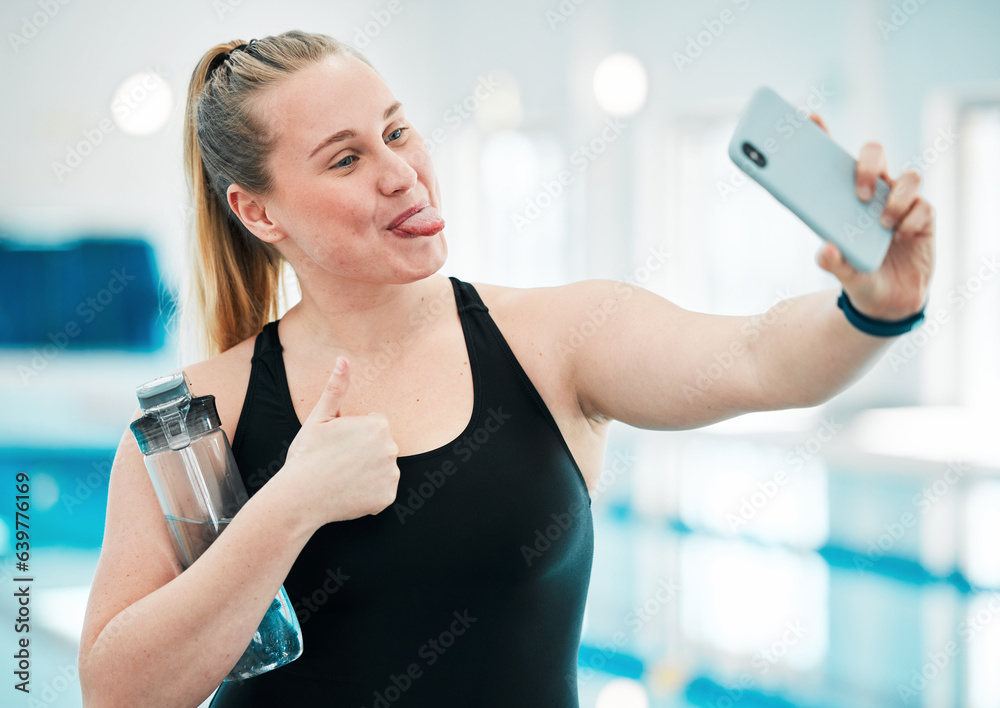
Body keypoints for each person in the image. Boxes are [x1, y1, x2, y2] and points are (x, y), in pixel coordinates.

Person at [77, 29, 935, 708]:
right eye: (346, 159)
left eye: (397, 130)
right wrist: (290, 506)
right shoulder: (200, 411)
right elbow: (116, 692)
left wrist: (875, 306)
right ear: (257, 211)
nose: (401, 173)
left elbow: (757, 358)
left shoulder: (558, 339)